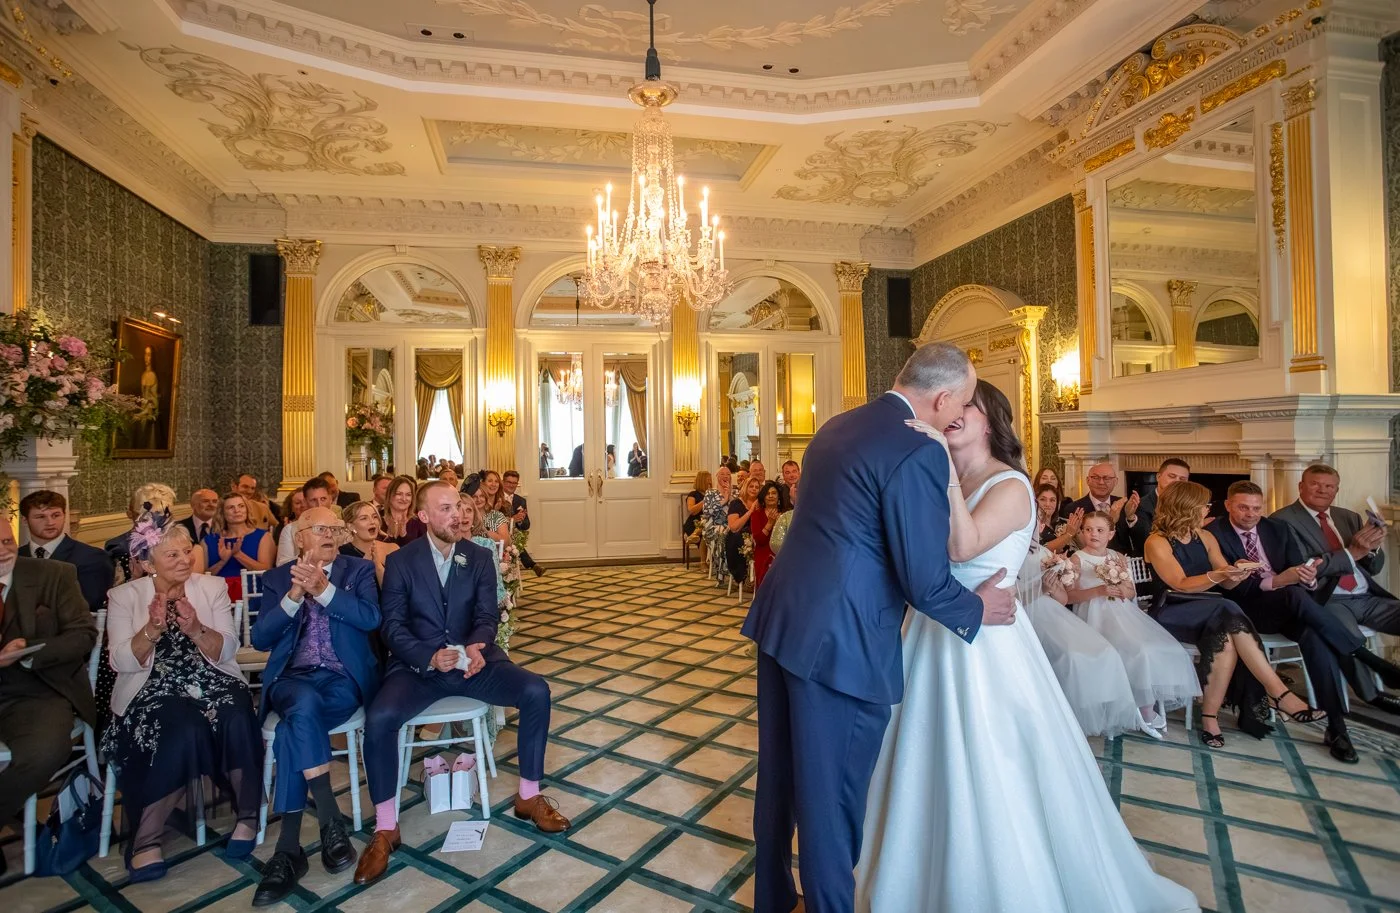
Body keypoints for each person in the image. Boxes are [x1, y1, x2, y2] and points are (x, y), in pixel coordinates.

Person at [854, 378, 1198, 913]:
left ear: (989, 421)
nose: (951, 411)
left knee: (993, 760)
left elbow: (962, 546)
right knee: (917, 755)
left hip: (988, 644)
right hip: (930, 629)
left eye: (965, 405)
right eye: (950, 403)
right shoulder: (944, 476)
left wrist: (942, 470)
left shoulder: (1010, 485)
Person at [743, 344, 1016, 913]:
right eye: (961, 402)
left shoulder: (837, 426)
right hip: (841, 641)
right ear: (942, 398)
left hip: (783, 618)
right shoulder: (917, 449)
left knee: (781, 773)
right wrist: (976, 609)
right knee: (832, 796)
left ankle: (774, 897)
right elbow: (923, 578)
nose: (958, 415)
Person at [355, 483, 568, 886]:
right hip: (419, 670)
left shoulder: (479, 556)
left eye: (458, 507)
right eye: (446, 508)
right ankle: (385, 827)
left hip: (473, 664)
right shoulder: (401, 562)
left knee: (535, 691)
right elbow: (392, 628)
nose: (457, 515)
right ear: (424, 516)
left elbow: (487, 615)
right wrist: (428, 655)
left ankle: (528, 795)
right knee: (380, 717)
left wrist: (478, 645)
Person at [104, 510, 261, 880]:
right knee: (182, 727)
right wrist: (152, 629)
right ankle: (146, 839)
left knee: (236, 712)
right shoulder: (124, 596)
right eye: (172, 555)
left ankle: (248, 816)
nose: (185, 560)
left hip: (211, 677)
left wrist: (196, 628)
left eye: (187, 551)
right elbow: (120, 661)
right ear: (148, 564)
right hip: (152, 686)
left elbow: (227, 649)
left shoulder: (211, 588)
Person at [251, 507, 381, 906]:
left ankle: (288, 849)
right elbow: (260, 638)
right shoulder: (277, 579)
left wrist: (324, 589)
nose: (330, 534)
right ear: (299, 537)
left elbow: (370, 618)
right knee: (302, 703)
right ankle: (330, 820)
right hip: (292, 680)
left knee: (293, 727)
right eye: (320, 528)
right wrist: (294, 595)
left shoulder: (357, 571)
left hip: (342, 681)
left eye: (335, 529)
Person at [1214, 482, 1400, 759]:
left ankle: (1337, 728)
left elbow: (1300, 569)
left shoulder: (1276, 529)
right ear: (1228, 505)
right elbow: (1228, 588)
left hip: (1291, 607)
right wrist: (1279, 581)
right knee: (1293, 593)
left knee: (1317, 637)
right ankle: (1366, 657)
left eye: (1256, 508)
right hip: (1247, 611)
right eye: (1243, 507)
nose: (1250, 514)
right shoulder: (1214, 534)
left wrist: (1308, 578)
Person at [1144, 481, 1327, 749]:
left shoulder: (1205, 537)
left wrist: (1237, 572)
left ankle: (1210, 719)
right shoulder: (1156, 542)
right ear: (1186, 507)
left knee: (1227, 642)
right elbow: (1180, 584)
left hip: (1209, 609)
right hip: (1171, 609)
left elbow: (1227, 583)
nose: (1208, 509)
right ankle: (1278, 693)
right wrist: (1219, 575)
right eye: (1204, 505)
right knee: (1228, 608)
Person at [0, 526, 97, 878]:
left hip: (39, 688)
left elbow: (83, 634)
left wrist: (28, 652)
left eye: (7, 541)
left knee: (42, 752)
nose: (3, 550)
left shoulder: (54, 574)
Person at [1272, 463, 1400, 716]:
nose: (1323, 490)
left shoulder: (1348, 517)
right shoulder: (1281, 521)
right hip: (1325, 599)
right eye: (1315, 484)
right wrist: (1352, 552)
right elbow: (1302, 567)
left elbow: (1373, 568)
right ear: (1301, 486)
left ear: (1336, 490)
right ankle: (1372, 695)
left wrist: (1373, 548)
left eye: (1329, 486)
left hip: (1366, 596)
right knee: (1344, 634)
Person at [1065, 512, 1200, 734]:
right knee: (1127, 651)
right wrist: (1098, 590)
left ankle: (1144, 704)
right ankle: (1131, 706)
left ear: (1111, 534)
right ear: (1082, 532)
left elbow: (1130, 592)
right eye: (1088, 529)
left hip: (1122, 614)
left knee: (1146, 649)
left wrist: (1121, 590)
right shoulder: (1077, 559)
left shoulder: (1118, 557)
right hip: (1093, 617)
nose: (1093, 534)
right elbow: (1069, 597)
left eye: (1099, 530)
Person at [1017, 541, 1155, 739]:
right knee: (1073, 656)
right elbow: (1015, 600)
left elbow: (1063, 600)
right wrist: (1041, 589)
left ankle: (1105, 712)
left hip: (1054, 612)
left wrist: (1052, 587)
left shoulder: (1045, 552)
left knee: (1107, 651)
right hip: (1027, 614)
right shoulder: (1011, 552)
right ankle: (1068, 716)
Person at [18, 489, 115, 614]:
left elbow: (88, 606)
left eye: (56, 515)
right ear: (25, 520)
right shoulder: (15, 557)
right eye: (41, 517)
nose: (50, 522)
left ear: (64, 516)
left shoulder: (92, 558)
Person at [194, 491, 274, 599]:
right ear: (222, 512)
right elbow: (201, 578)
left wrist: (238, 554)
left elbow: (266, 572)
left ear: (247, 509)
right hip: (217, 598)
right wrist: (222, 562)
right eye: (230, 507)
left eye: (241, 506)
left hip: (253, 597)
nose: (237, 510)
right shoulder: (208, 541)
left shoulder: (263, 536)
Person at [1058, 462, 1143, 555]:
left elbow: (1139, 540)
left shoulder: (1124, 504)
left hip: (1123, 559)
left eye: (1107, 478)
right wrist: (1110, 520)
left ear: (1115, 481)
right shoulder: (1074, 509)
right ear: (1088, 480)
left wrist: (1130, 517)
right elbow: (1077, 546)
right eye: (1096, 478)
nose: (1101, 482)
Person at [278, 478, 335, 566]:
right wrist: (306, 556)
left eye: (323, 499)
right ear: (305, 502)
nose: (319, 505)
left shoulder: (341, 527)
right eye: (313, 500)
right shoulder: (289, 530)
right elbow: (282, 564)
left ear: (330, 499)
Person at [341, 501, 399, 585]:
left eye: (375, 517)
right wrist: (364, 565)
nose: (372, 522)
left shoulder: (393, 549)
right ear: (351, 526)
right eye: (364, 518)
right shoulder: (341, 554)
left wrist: (378, 566)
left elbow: (400, 588)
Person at [1131, 458, 1191, 538]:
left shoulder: (1190, 505)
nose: (1177, 482)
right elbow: (1146, 538)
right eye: (1172, 476)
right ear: (1158, 477)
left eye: (1182, 479)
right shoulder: (1141, 505)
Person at [502, 470, 545, 577]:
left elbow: (526, 525)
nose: (511, 485)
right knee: (513, 540)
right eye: (509, 482)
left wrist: (520, 521)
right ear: (503, 482)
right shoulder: (496, 499)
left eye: (514, 483)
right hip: (500, 532)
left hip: (514, 533)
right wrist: (512, 519)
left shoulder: (521, 501)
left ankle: (531, 566)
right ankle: (532, 565)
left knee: (515, 539)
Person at [726, 477, 762, 585]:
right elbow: (734, 527)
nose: (754, 489)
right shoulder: (736, 503)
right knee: (740, 539)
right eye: (751, 486)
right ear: (745, 487)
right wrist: (750, 511)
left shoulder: (761, 503)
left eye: (757, 487)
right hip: (738, 535)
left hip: (756, 534)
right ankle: (744, 576)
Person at [750, 481, 784, 590]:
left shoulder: (785, 514)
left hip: (783, 553)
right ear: (763, 498)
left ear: (778, 497)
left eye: (774, 493)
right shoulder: (757, 514)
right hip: (764, 553)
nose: (770, 496)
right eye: (767, 494)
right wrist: (769, 523)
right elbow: (759, 540)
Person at [703, 467, 733, 582]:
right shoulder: (710, 493)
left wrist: (730, 496)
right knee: (721, 534)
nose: (725, 476)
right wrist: (724, 500)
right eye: (722, 474)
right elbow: (707, 512)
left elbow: (737, 510)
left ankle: (735, 571)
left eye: (728, 474)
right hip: (713, 526)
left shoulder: (735, 492)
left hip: (730, 525)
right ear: (717, 477)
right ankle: (722, 571)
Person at [1033, 483, 1078, 552]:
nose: (1048, 504)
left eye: (1052, 500)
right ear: (1035, 502)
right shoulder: (1032, 527)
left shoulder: (1064, 522)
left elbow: (1084, 546)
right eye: (1042, 499)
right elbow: (1043, 550)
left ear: (1057, 504)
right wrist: (1068, 534)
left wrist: (1077, 530)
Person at [379, 475, 419, 546]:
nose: (404, 499)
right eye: (399, 494)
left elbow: (421, 550)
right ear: (389, 495)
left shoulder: (419, 522)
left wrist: (404, 535)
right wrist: (390, 535)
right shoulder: (377, 519)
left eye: (408, 495)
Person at [684, 471, 710, 539]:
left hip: (708, 523)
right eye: (708, 480)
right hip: (695, 524)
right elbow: (691, 511)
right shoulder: (693, 494)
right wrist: (705, 499)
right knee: (705, 533)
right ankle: (693, 537)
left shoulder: (712, 493)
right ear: (702, 481)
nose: (710, 482)